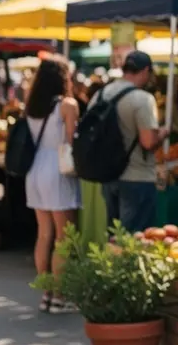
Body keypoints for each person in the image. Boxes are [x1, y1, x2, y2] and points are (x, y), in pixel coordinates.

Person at [24, 59, 82, 313]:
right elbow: (70, 142)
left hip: (35, 169)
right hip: (58, 169)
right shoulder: (67, 105)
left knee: (44, 234)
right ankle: (59, 296)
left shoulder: (32, 105)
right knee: (63, 237)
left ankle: (46, 294)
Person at [95, 51, 168, 233]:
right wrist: (163, 133)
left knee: (114, 238)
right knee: (135, 241)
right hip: (138, 177)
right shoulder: (143, 99)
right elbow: (148, 142)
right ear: (145, 71)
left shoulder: (101, 94)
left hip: (108, 175)